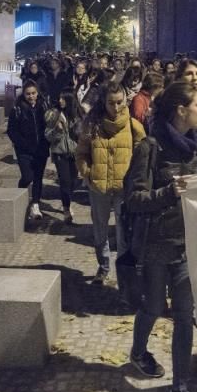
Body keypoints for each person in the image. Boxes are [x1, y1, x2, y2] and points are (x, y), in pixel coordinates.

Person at [123, 81, 197, 392]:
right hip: (157, 246)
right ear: (180, 110)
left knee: (184, 316)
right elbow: (133, 199)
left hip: (190, 246)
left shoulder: (196, 147)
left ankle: (179, 390)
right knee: (154, 307)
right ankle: (138, 350)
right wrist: (167, 193)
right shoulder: (150, 147)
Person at [76, 80, 146, 285]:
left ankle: (123, 274)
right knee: (100, 229)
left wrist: (136, 180)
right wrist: (88, 173)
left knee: (124, 233)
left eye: (119, 102)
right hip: (99, 186)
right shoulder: (92, 125)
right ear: (103, 103)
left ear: (125, 100)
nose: (115, 107)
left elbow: (144, 156)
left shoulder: (134, 126)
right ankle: (103, 266)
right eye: (111, 103)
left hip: (124, 189)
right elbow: (81, 153)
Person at [7, 80, 50, 220]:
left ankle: (35, 204)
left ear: (37, 93)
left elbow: (49, 125)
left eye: (33, 93)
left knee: (38, 178)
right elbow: (11, 130)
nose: (31, 96)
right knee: (27, 177)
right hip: (24, 150)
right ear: (23, 94)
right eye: (28, 94)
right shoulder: (17, 109)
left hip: (41, 149)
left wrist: (47, 142)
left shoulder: (43, 106)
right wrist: (22, 143)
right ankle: (19, 194)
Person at [45, 90, 83, 224]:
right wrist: (57, 131)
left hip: (74, 153)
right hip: (60, 153)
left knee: (73, 181)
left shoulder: (78, 115)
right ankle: (66, 209)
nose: (60, 101)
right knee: (65, 181)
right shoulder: (54, 115)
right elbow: (48, 135)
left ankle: (68, 201)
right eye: (59, 98)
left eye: (63, 98)